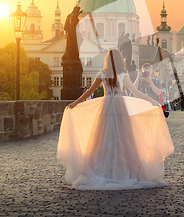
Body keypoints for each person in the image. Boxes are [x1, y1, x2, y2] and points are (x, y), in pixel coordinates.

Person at [57, 49, 174, 190]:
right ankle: (124, 170)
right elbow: (135, 92)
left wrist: (76, 103)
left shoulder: (102, 74)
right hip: (120, 107)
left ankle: (102, 170)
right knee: (124, 139)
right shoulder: (123, 74)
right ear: (120, 60)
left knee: (102, 139)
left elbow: (89, 91)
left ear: (107, 60)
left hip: (106, 107)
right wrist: (151, 101)